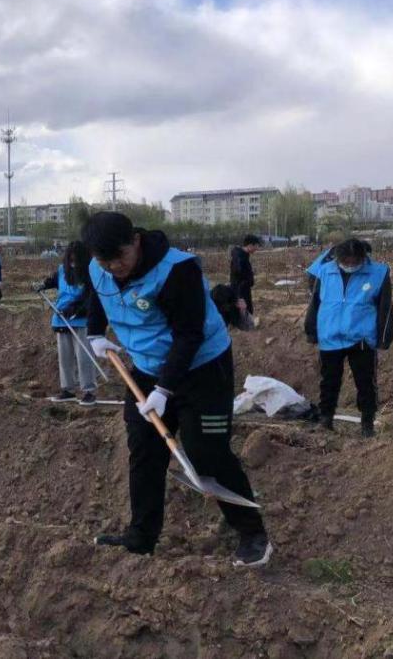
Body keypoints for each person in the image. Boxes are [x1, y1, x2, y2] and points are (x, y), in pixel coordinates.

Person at [82, 212, 272, 568]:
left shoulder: (177, 270)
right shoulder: (99, 267)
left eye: (119, 258)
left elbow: (189, 334)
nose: (114, 268)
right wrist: (95, 332)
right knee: (144, 449)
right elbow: (99, 293)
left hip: (202, 367)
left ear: (135, 240)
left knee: (207, 452)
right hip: (146, 367)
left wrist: (164, 390)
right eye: (104, 262)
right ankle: (141, 537)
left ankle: (252, 533)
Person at [304, 238, 393, 437]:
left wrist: (384, 336)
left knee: (365, 382)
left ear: (363, 258)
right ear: (338, 258)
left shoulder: (378, 273)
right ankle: (325, 419)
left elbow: (385, 308)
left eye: (355, 261)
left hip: (361, 338)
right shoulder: (325, 271)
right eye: (347, 261)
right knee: (329, 381)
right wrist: (311, 330)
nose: (351, 265)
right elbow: (315, 302)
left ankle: (367, 424)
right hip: (330, 335)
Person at [33, 240, 98, 404]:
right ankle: (68, 389)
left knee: (84, 357)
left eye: (76, 259)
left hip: (81, 320)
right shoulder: (62, 270)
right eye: (71, 259)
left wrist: (76, 310)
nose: (73, 262)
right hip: (61, 319)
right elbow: (52, 281)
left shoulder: (90, 272)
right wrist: (42, 285)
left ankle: (88, 390)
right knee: (65, 358)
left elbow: (91, 298)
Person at [230, 235, 262, 315]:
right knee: (243, 313)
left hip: (244, 289)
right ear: (250, 245)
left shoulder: (243, 256)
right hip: (240, 292)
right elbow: (238, 274)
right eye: (256, 246)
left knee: (247, 312)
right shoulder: (240, 257)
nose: (257, 249)